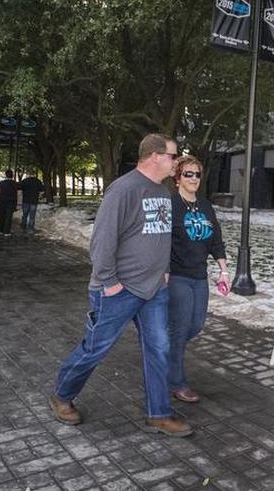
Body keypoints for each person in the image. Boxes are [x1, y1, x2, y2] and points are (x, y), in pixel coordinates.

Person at [50, 133, 190, 436]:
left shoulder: (163, 192)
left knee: (158, 349)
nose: (176, 162)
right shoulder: (124, 190)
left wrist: (164, 269)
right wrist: (109, 282)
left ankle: (159, 413)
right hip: (119, 290)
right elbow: (102, 240)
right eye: (172, 156)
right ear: (154, 156)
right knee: (96, 349)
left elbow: (160, 235)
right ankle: (61, 395)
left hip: (154, 289)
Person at [167, 155, 228, 404]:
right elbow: (162, 240)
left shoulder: (205, 206)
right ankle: (176, 382)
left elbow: (216, 240)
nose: (193, 179)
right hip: (177, 276)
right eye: (188, 174)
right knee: (181, 330)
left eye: (197, 174)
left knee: (196, 325)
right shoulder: (171, 204)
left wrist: (223, 270)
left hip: (199, 276)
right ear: (178, 178)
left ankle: (165, 350)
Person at [0, 170, 18, 237]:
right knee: (8, 217)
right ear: (12, 175)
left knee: (2, 216)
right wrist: (19, 203)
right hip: (11, 202)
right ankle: (7, 232)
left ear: (6, 175)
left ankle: (1, 230)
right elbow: (19, 193)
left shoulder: (2, 183)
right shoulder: (15, 184)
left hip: (2, 202)